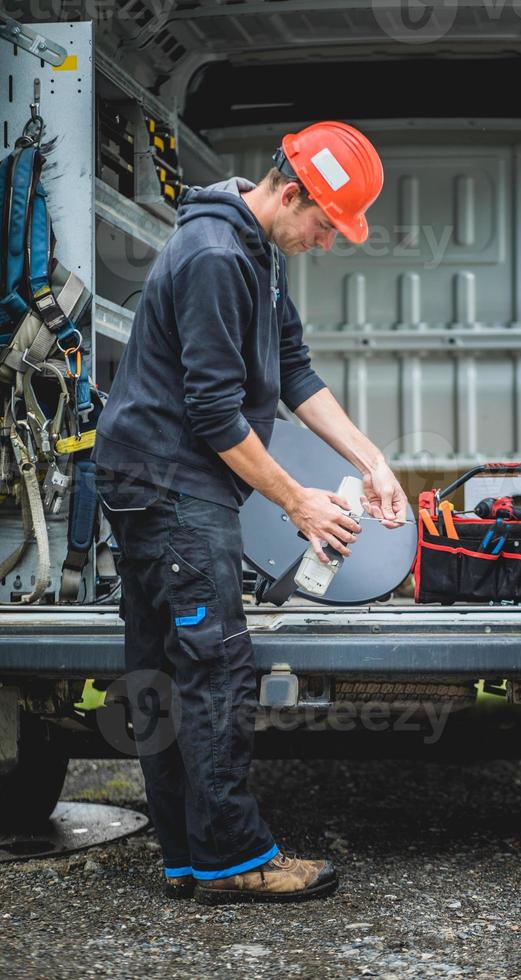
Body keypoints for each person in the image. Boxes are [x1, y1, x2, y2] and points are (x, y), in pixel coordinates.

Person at [93, 121, 407, 905]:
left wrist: (369, 461)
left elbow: (293, 370)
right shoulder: (216, 255)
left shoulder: (258, 248)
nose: (328, 242)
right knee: (216, 669)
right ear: (291, 191)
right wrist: (299, 502)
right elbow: (212, 411)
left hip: (163, 479)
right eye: (326, 225)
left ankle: (192, 858)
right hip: (169, 484)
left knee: (166, 672)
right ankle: (235, 859)